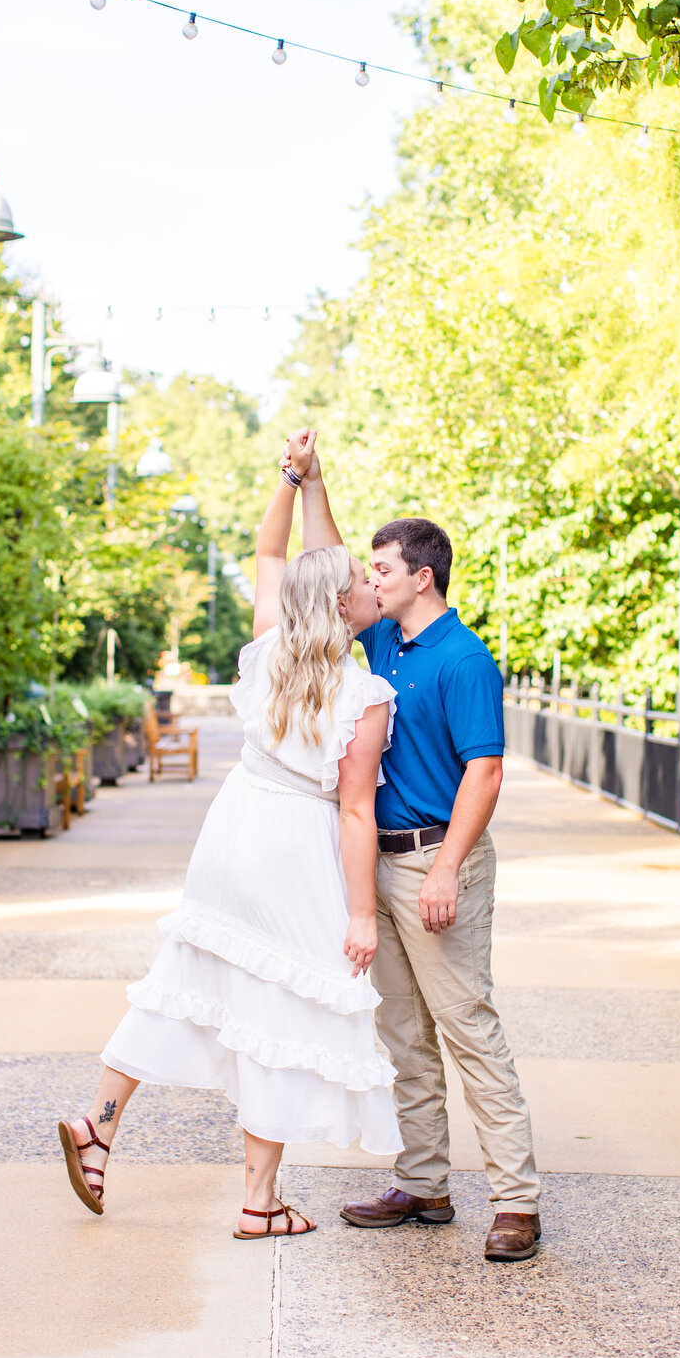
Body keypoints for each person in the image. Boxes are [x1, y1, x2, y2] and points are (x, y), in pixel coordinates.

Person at [58, 429, 400, 1238]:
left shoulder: (267, 651)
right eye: (363, 581)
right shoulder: (366, 692)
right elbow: (355, 811)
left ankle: (98, 1125)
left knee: (181, 976)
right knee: (283, 1010)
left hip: (234, 826)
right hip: (295, 848)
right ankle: (258, 1200)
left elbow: (270, 548)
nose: (371, 585)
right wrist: (362, 913)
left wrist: (295, 478)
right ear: (345, 605)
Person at [295, 442, 541, 1262]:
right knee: (402, 1033)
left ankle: (517, 1202)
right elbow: (327, 564)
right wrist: (314, 481)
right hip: (383, 862)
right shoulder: (387, 644)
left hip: (442, 861)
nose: (367, 583)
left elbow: (488, 771)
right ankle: (426, 1182)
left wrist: (444, 869)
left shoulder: (464, 659)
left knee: (469, 1028)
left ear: (421, 578)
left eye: (381, 571)